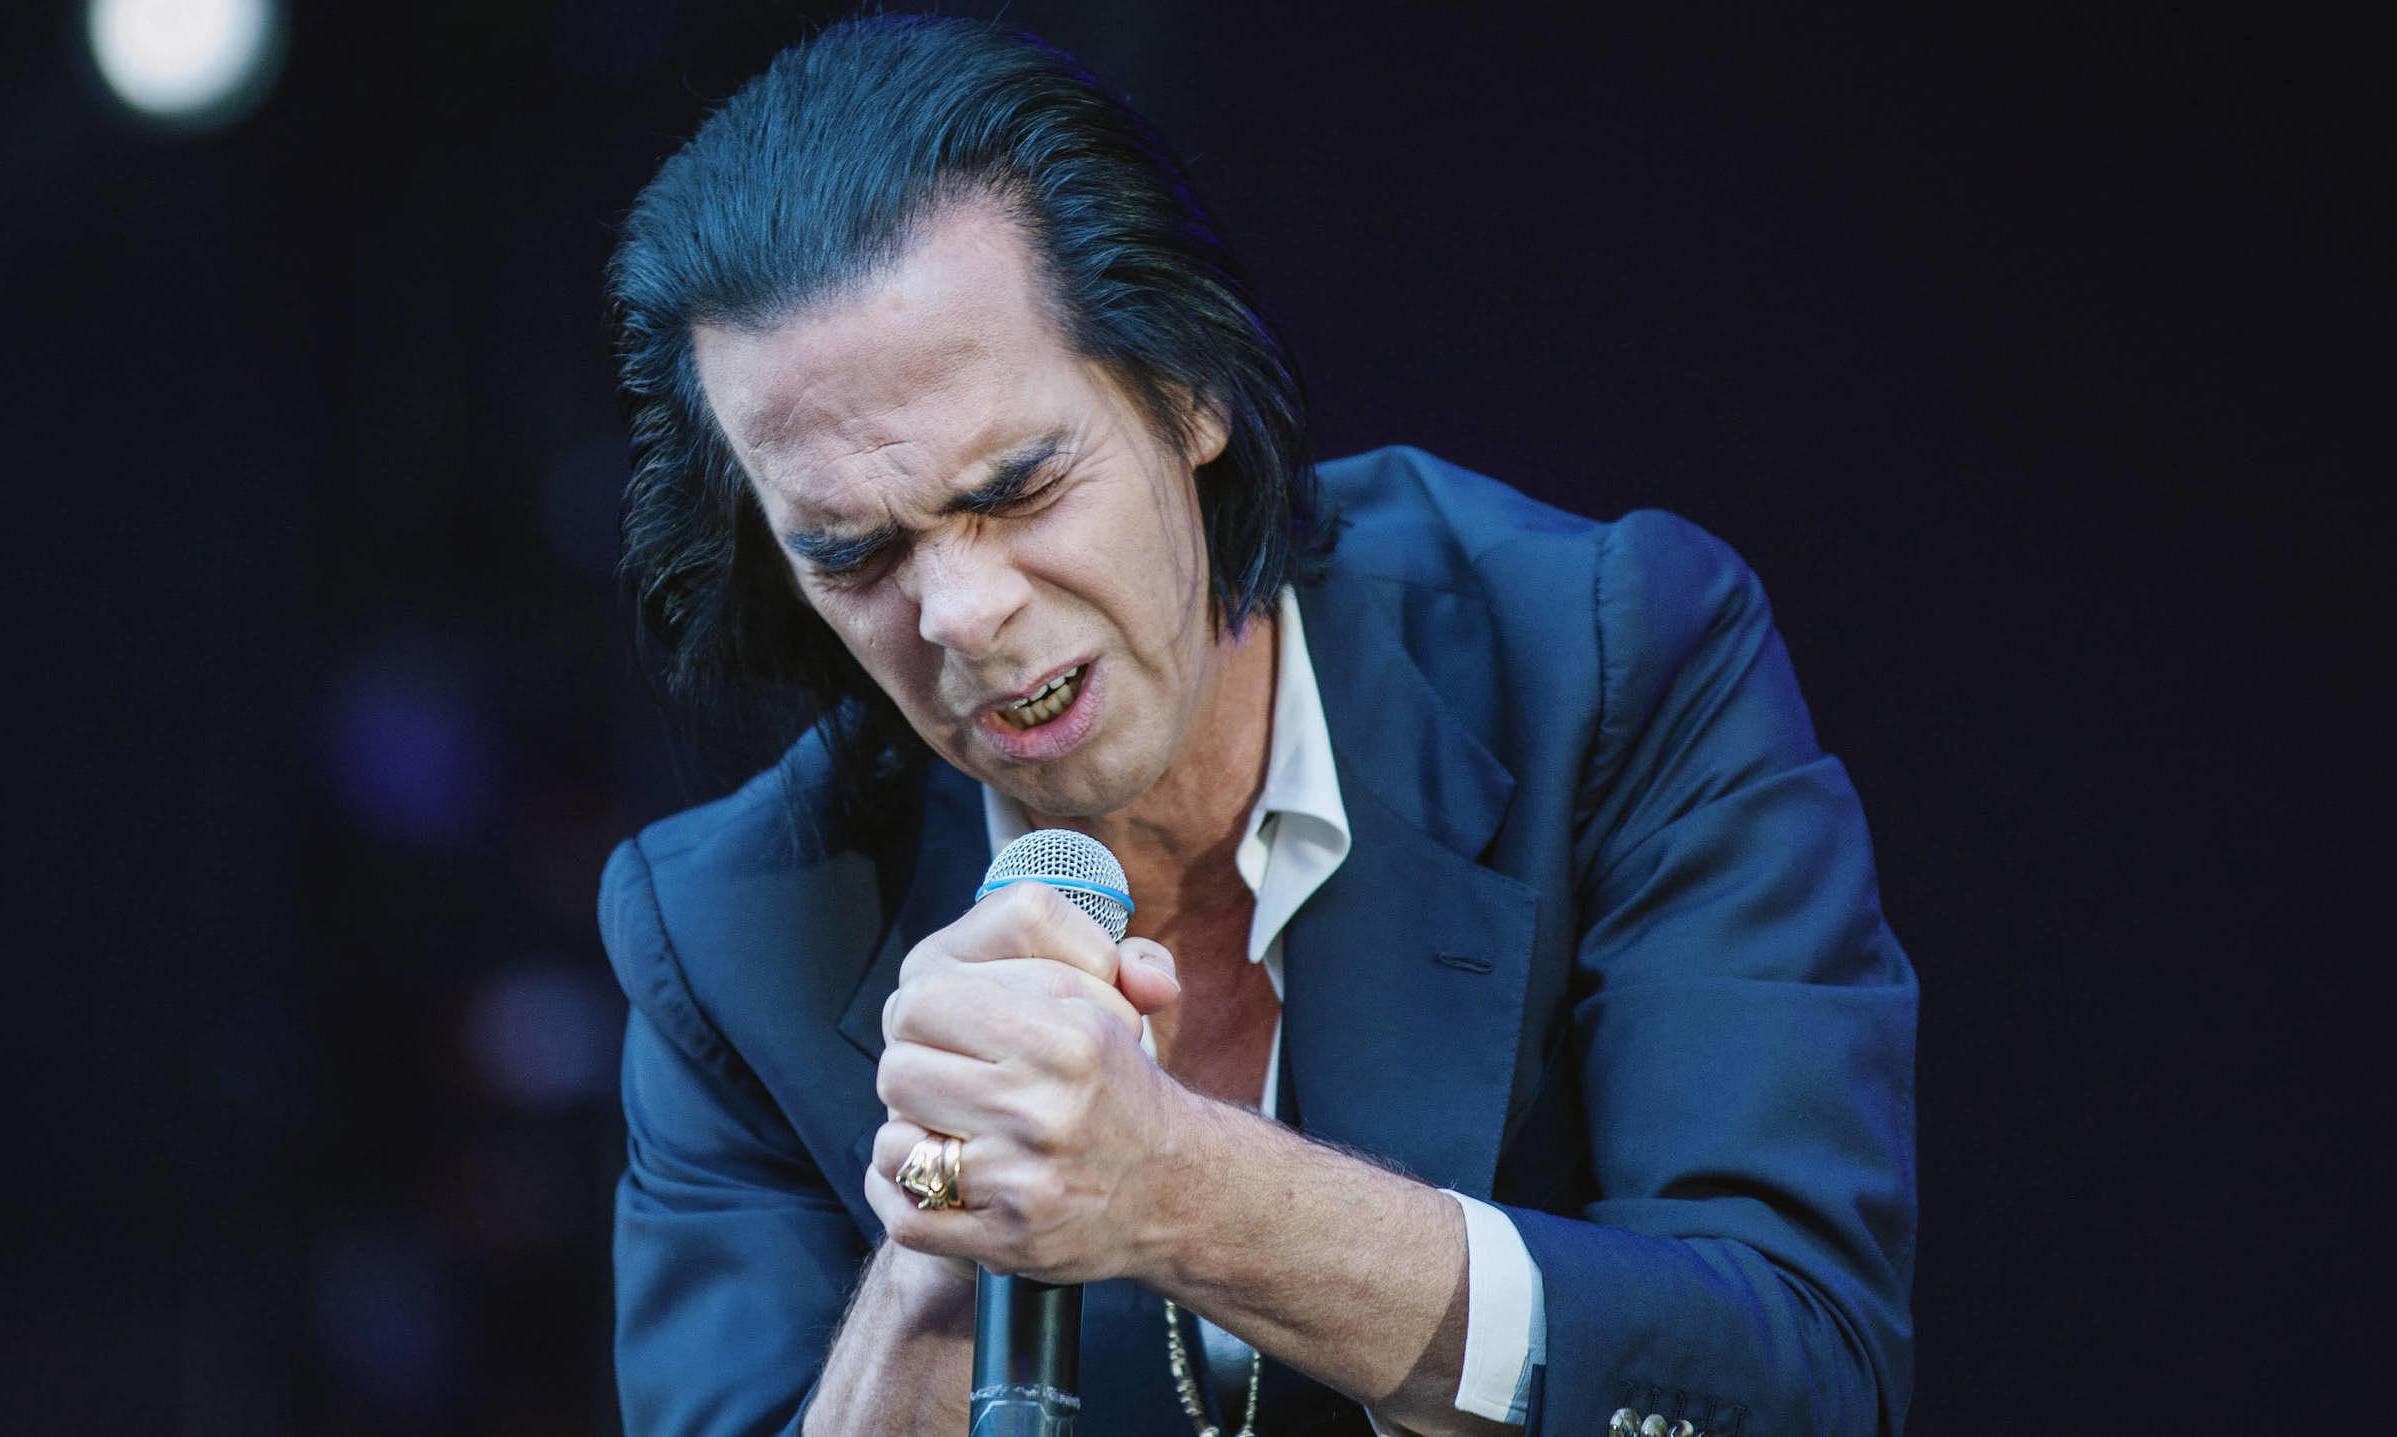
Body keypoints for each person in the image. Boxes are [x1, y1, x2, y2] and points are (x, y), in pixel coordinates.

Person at [598, 16, 1916, 1436]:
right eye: (858, 556)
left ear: (1192, 391)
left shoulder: (1605, 658)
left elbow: (1801, 1376)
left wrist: (1178, 1185)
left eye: (1021, 488)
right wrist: (943, 1221)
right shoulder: (731, 930)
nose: (963, 614)